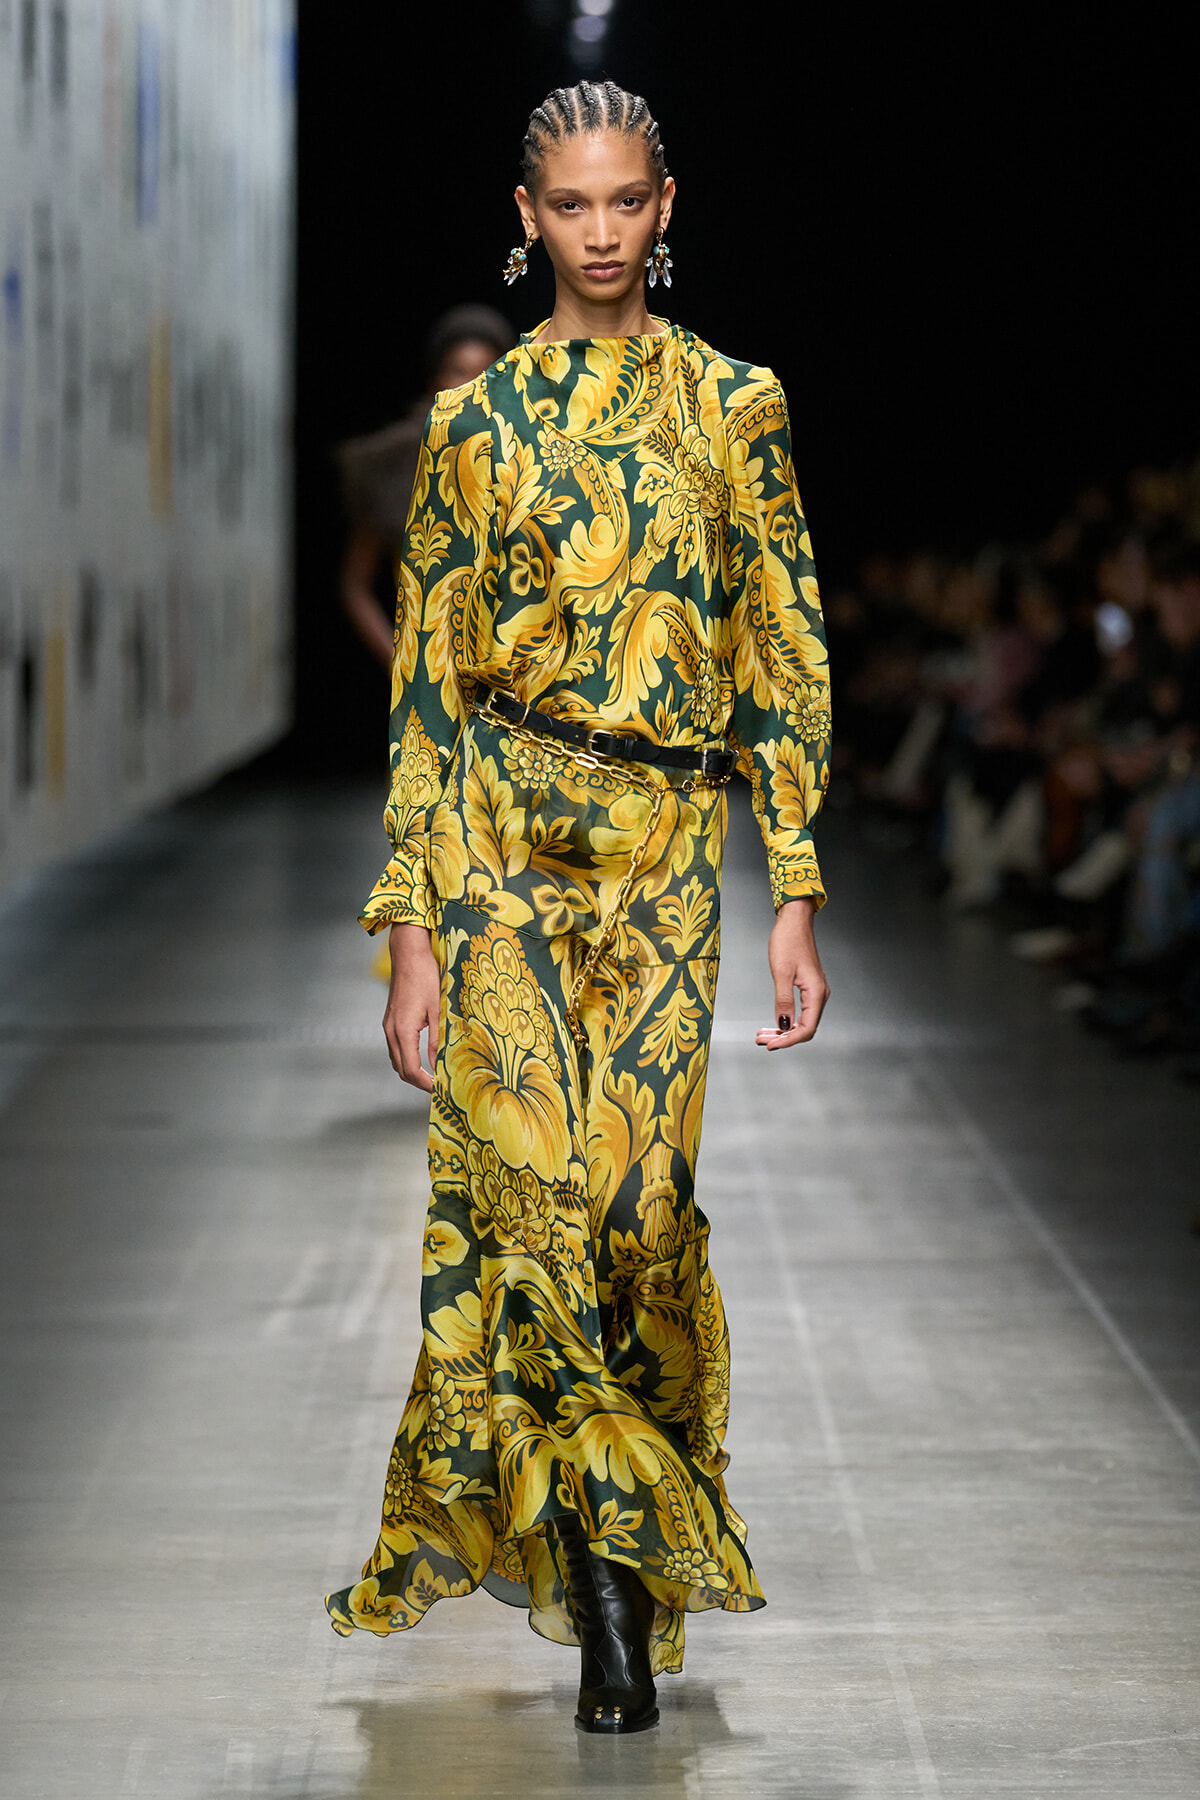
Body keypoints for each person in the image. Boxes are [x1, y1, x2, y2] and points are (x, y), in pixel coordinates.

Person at [325, 80, 832, 1737]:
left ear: (665, 206)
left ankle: (616, 1539)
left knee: (637, 1212)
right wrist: (412, 926)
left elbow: (783, 645)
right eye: (572, 205)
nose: (601, 232)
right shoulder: (474, 426)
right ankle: (611, 1592)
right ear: (527, 216)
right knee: (537, 1209)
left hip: (670, 846)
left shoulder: (736, 404)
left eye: (627, 201)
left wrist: (796, 883)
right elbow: (430, 683)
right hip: (506, 848)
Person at [336, 306, 517, 669]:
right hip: (427, 668)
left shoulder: (527, 460)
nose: (470, 387)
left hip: (511, 676)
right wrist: (402, 666)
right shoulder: (397, 464)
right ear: (436, 378)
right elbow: (356, 585)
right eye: (459, 371)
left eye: (485, 374)